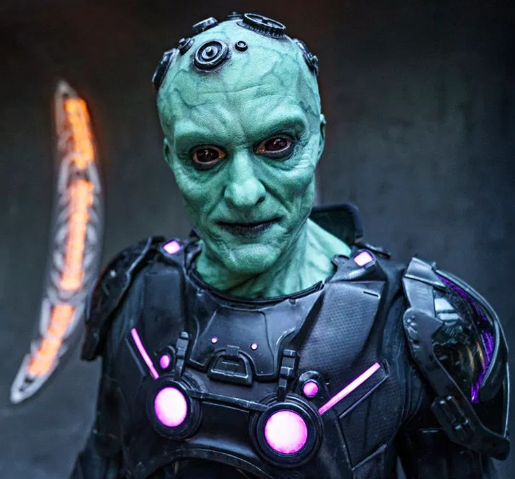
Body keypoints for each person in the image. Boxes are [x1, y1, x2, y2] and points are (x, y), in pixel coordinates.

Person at [70, 13, 510, 478]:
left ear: (318, 138)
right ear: (171, 159)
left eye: (276, 144)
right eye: (205, 155)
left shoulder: (420, 326)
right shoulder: (136, 294)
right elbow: (101, 462)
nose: (243, 193)